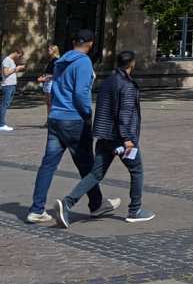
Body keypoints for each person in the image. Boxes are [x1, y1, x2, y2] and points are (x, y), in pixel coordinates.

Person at [27, 31, 118, 225]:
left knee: (48, 165)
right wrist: (87, 113)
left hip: (55, 117)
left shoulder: (61, 61)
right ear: (91, 44)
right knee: (86, 164)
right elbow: (80, 93)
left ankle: (36, 209)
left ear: (74, 41)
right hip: (74, 119)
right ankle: (95, 205)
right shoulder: (83, 62)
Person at [53, 50, 154, 226]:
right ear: (132, 64)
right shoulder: (128, 85)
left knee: (95, 174)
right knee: (137, 171)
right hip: (121, 138)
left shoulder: (108, 81)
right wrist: (127, 138)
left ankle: (68, 203)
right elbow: (124, 115)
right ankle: (135, 210)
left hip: (103, 136)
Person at [0, 48, 21, 132]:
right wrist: (16, 69)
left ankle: (2, 123)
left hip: (12, 85)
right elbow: (6, 72)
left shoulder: (11, 61)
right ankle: (1, 125)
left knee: (6, 104)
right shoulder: (7, 60)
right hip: (7, 85)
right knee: (4, 105)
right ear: (16, 52)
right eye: (19, 55)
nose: (19, 57)